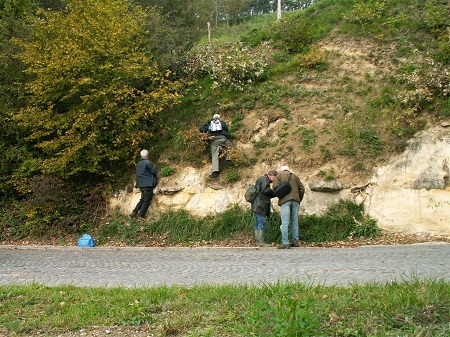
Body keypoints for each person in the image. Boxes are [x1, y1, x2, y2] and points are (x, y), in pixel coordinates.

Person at [272, 165, 305, 249]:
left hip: (285, 201)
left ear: (281, 170)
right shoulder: (295, 176)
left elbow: (275, 187)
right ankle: (295, 241)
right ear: (288, 170)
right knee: (295, 222)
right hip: (296, 200)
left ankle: (285, 242)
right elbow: (302, 188)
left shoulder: (279, 176)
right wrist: (298, 198)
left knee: (285, 223)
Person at [199, 113, 233, 178]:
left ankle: (215, 172)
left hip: (214, 140)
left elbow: (201, 129)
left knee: (214, 154)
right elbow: (226, 129)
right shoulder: (222, 123)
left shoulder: (209, 123)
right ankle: (228, 160)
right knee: (230, 147)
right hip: (223, 138)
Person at [251, 170, 278, 246]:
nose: (275, 180)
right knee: (261, 222)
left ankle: (258, 241)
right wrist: (275, 192)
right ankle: (261, 242)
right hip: (260, 205)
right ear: (272, 175)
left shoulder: (263, 179)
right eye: (275, 178)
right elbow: (265, 190)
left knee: (257, 222)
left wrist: (274, 194)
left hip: (257, 204)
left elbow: (265, 191)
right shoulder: (264, 179)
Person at [130, 149, 158, 221]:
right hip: (148, 184)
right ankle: (141, 215)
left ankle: (134, 212)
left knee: (142, 199)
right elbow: (154, 171)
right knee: (147, 200)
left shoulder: (138, 164)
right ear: (147, 155)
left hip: (141, 185)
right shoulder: (147, 162)